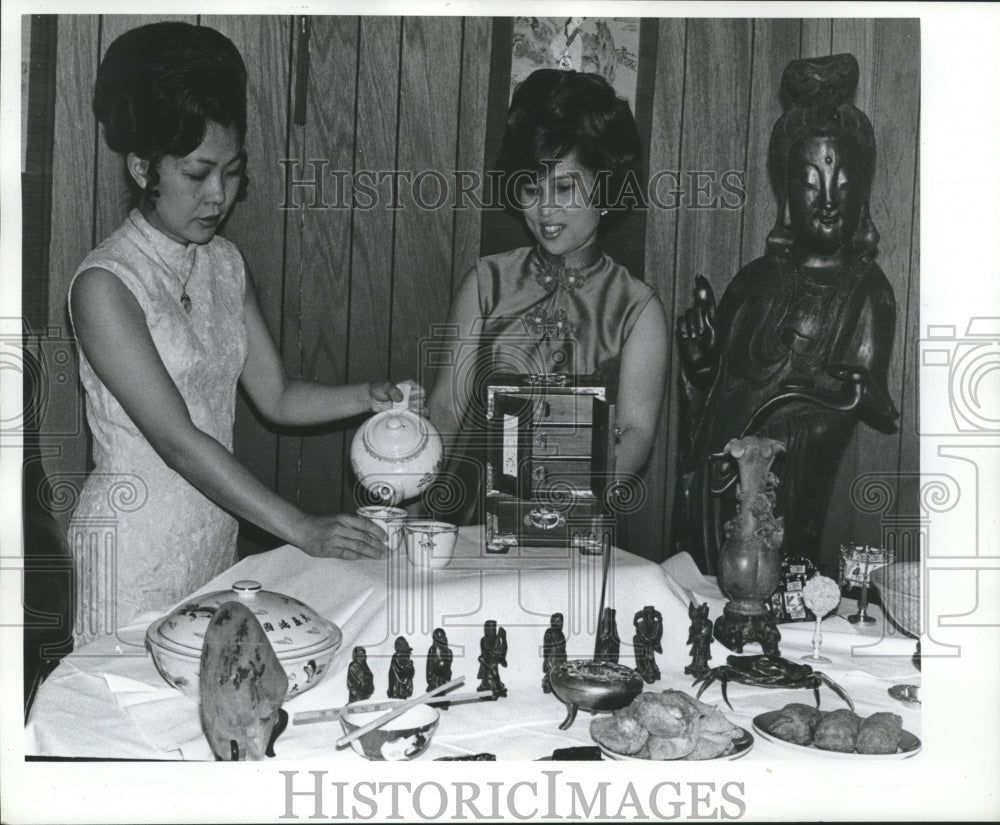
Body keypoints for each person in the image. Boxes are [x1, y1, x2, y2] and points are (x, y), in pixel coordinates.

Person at [67, 22, 423, 648]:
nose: (217, 196)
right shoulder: (105, 285)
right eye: (197, 173)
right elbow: (179, 442)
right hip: (128, 557)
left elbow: (279, 397)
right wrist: (301, 528)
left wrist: (370, 394)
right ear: (142, 165)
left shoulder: (225, 264)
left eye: (231, 173)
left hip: (213, 546)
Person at [672, 53, 897, 575]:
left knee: (780, 571)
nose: (826, 201)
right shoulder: (756, 280)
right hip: (721, 477)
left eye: (842, 185)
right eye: (809, 183)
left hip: (787, 485)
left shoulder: (867, 291)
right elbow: (711, 381)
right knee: (706, 580)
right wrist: (702, 357)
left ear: (861, 193)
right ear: (786, 191)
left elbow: (861, 397)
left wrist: (774, 427)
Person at [426, 69, 667, 524]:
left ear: (607, 188)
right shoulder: (485, 283)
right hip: (475, 521)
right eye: (531, 188)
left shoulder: (638, 309)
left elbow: (636, 432)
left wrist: (569, 499)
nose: (545, 209)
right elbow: (446, 407)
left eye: (564, 188)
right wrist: (422, 506)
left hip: (579, 526)